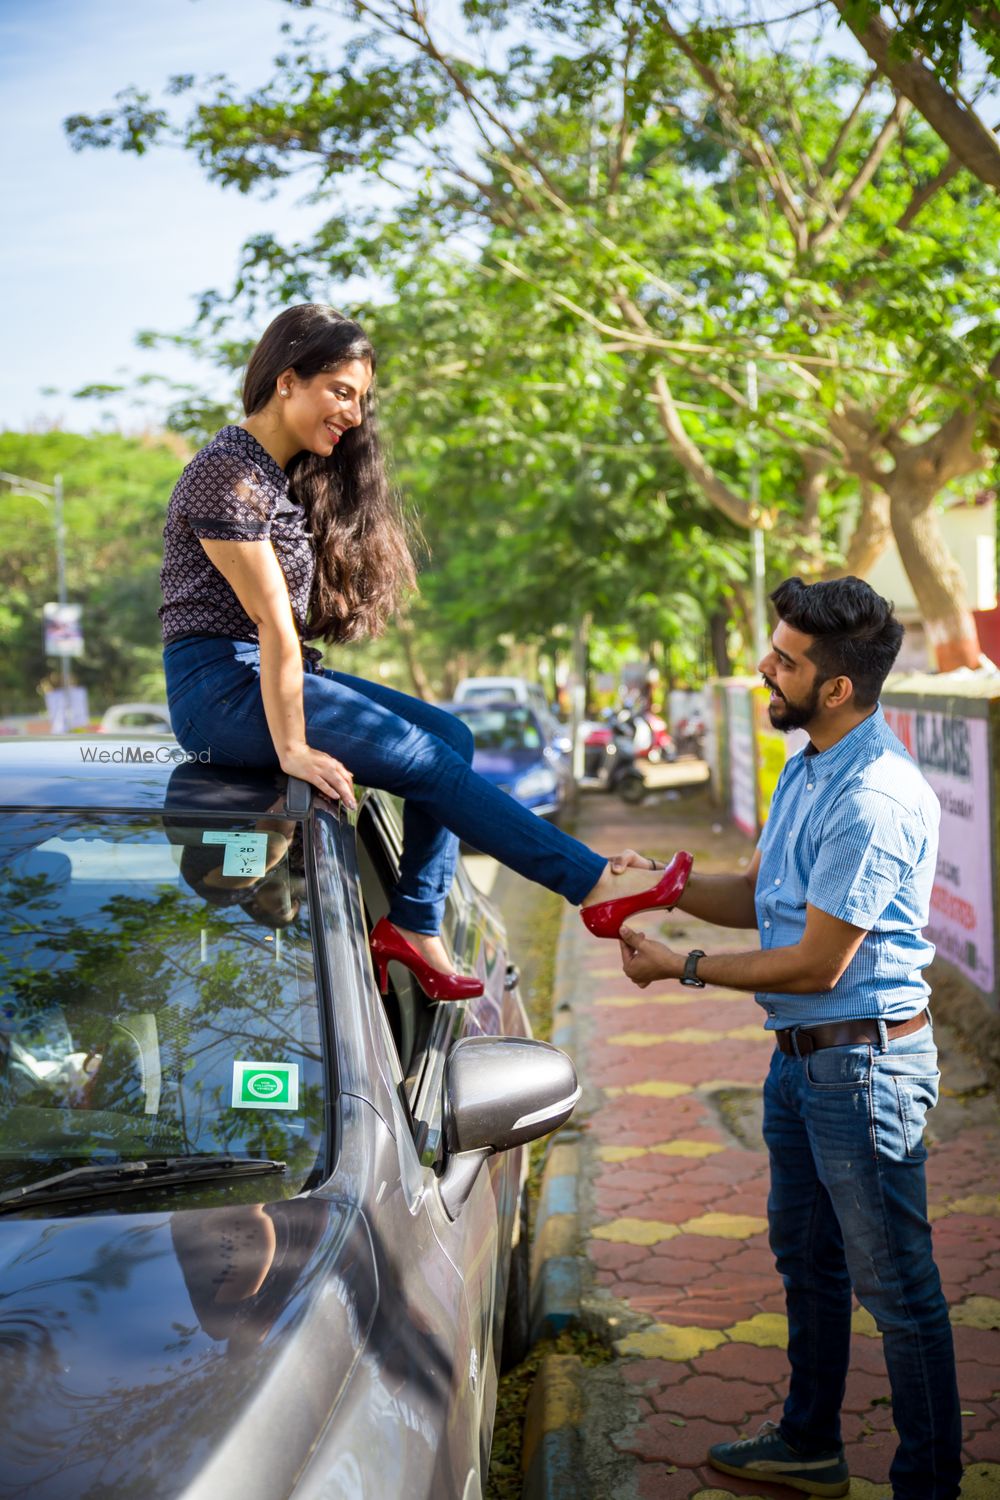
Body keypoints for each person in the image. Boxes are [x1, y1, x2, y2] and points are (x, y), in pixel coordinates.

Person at [159, 303, 690, 1000]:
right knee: (425, 761)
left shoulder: (274, 477)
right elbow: (273, 625)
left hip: (254, 675)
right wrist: (293, 751)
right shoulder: (225, 473)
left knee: (449, 735)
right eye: (340, 392)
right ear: (286, 380)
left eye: (361, 399)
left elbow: (282, 637)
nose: (353, 413)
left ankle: (412, 922)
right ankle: (588, 882)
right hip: (218, 689)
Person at [615, 576, 961, 1500]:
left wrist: (680, 965)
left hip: (866, 1067)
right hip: (804, 1065)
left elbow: (814, 962)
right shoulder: (809, 761)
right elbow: (762, 894)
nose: (765, 669)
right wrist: (664, 883)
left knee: (898, 1287)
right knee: (807, 1261)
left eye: (785, 661)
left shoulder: (876, 796)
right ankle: (812, 1444)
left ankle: (929, 1482)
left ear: (837, 687)